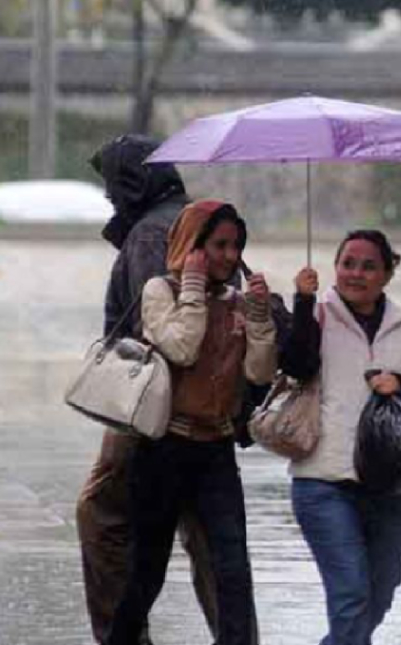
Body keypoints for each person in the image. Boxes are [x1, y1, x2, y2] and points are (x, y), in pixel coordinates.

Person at [104, 200, 276, 645]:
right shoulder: (161, 291)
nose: (229, 256)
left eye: (236, 246)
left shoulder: (236, 301)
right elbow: (181, 348)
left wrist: (258, 319)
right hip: (165, 450)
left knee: (233, 571)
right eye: (218, 245)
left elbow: (258, 373)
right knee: (148, 573)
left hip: (215, 452)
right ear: (191, 244)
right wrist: (194, 286)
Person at [77, 134, 222, 645]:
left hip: (152, 404)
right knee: (206, 531)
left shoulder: (148, 235)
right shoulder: (194, 220)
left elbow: (152, 328)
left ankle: (121, 634)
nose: (110, 197)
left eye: (114, 184)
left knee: (101, 515)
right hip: (208, 404)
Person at [280, 230, 401, 645]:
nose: (356, 273)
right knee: (351, 596)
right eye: (348, 263)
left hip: (390, 489)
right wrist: (301, 301)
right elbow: (295, 365)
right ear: (334, 268)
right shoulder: (316, 316)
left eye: (369, 265)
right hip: (323, 482)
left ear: (388, 274)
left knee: (379, 595)